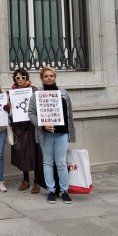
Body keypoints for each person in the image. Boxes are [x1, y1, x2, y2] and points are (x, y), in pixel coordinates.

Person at [28, 67, 75, 204]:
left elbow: (70, 114)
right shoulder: (36, 95)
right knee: (48, 162)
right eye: (46, 76)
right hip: (45, 134)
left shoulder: (64, 93)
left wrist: (71, 132)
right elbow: (31, 113)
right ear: (42, 78)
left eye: (51, 75)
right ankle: (51, 190)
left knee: (61, 162)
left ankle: (64, 191)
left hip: (61, 133)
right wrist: (42, 125)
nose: (49, 78)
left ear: (55, 77)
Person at [10, 68, 45, 194]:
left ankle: (37, 181)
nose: (20, 80)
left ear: (27, 78)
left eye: (22, 77)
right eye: (17, 78)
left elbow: (40, 105)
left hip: (31, 126)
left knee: (35, 153)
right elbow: (10, 111)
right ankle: (25, 180)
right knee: (21, 154)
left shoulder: (34, 90)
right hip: (19, 127)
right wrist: (8, 108)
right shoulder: (12, 92)